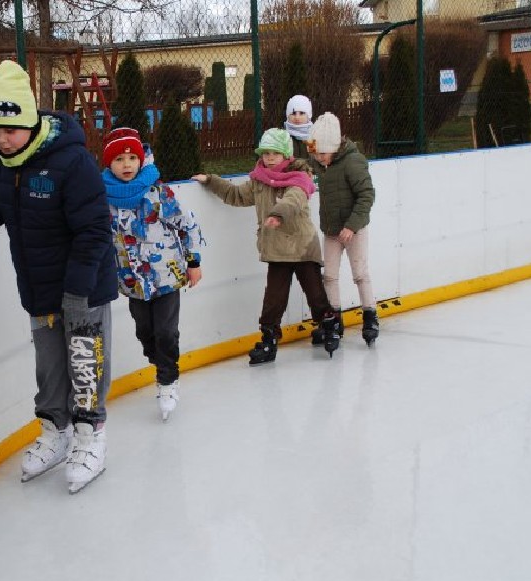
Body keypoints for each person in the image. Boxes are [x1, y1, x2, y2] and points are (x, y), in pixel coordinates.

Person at [0, 60, 117, 494]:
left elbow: (96, 229)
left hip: (83, 287)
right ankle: (56, 430)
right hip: (39, 288)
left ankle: (90, 435)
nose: (1, 140)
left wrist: (77, 291)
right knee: (49, 366)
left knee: (84, 363)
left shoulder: (71, 161)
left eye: (10, 130)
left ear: (30, 120)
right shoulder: (3, 162)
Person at [192, 128, 341, 364]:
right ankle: (269, 339)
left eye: (275, 153)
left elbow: (294, 199)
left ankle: (329, 326)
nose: (270, 158)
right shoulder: (259, 181)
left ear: (286, 155)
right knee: (273, 299)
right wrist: (211, 181)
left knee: (315, 293)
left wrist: (277, 214)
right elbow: (236, 195)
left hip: (302, 247)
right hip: (276, 250)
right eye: (266, 153)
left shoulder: (300, 177)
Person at [103, 127, 205, 421]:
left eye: (132, 158)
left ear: (141, 160)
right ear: (109, 164)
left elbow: (187, 225)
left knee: (165, 332)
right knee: (145, 333)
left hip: (166, 278)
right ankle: (161, 364)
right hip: (132, 282)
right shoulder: (104, 199)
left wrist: (193, 262)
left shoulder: (158, 193)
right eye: (119, 159)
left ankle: (168, 380)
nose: (126, 164)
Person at [307, 112, 379, 346]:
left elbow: (366, 195)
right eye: (315, 154)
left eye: (322, 154)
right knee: (329, 276)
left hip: (353, 230)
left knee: (360, 274)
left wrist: (351, 226)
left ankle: (370, 317)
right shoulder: (320, 163)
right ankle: (334, 321)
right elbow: (304, 165)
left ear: (334, 147)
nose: (319, 158)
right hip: (331, 231)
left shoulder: (353, 161)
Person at [284, 94, 314, 160]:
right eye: (293, 113)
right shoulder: (282, 136)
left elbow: (315, 159)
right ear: (287, 115)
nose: (297, 117)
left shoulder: (314, 135)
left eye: (302, 113)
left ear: (309, 115)